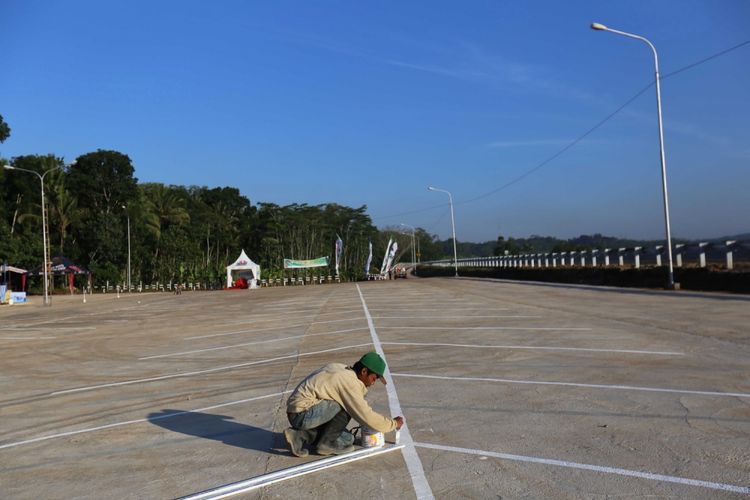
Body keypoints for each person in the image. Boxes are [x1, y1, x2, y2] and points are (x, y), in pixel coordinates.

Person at [284, 351, 404, 457]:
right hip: (302, 414)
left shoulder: (342, 369)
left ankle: (299, 435)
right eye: (374, 378)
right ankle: (326, 443)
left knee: (348, 439)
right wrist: (393, 424)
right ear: (364, 371)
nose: (373, 383)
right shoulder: (349, 383)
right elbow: (366, 416)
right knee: (347, 405)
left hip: (303, 412)